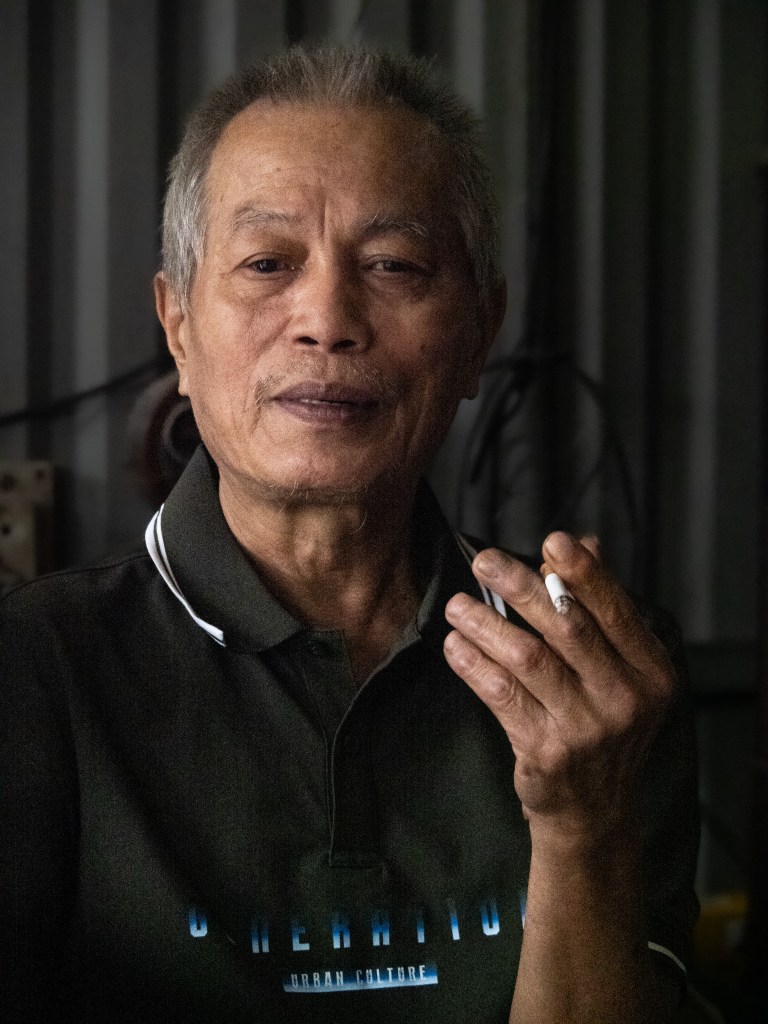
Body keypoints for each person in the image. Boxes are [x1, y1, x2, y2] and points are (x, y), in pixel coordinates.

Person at [0, 45, 698, 1024]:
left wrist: (583, 830)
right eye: (267, 263)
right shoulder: (35, 670)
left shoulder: (598, 689)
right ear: (178, 327)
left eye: (393, 266)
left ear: (479, 332)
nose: (327, 319)